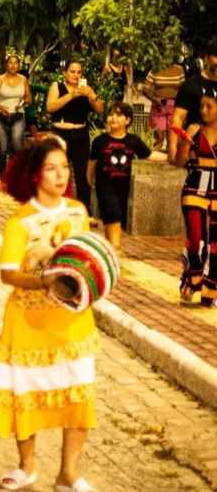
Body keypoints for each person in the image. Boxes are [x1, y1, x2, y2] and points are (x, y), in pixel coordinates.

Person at [0, 136, 101, 492]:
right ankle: (27, 465)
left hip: (72, 320)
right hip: (28, 321)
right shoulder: (19, 222)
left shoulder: (78, 212)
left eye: (65, 167)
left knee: (78, 392)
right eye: (51, 168)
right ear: (35, 175)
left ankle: (68, 474)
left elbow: (88, 258)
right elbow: (8, 273)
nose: (61, 175)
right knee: (27, 393)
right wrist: (44, 280)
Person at [88, 102, 167, 251]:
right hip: (104, 185)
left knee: (114, 217)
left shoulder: (133, 141)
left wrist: (171, 158)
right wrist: (89, 178)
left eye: (118, 115)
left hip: (123, 186)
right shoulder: (100, 141)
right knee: (113, 213)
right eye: (111, 114)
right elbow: (92, 162)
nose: (113, 118)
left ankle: (108, 248)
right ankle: (116, 249)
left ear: (128, 120)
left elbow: (149, 155)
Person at [171, 92, 217, 306]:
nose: (204, 111)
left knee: (214, 242)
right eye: (202, 106)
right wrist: (182, 144)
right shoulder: (193, 130)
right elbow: (179, 162)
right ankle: (193, 276)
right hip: (194, 186)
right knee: (196, 237)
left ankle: (210, 287)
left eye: (209, 106)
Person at [47, 60, 103, 213]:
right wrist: (70, 95)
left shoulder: (86, 90)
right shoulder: (57, 86)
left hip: (81, 134)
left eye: (79, 72)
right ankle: (56, 207)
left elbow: (100, 109)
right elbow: (50, 107)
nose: (76, 75)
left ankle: (85, 210)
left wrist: (92, 95)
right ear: (65, 73)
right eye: (72, 71)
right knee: (59, 172)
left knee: (82, 174)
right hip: (60, 134)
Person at [170, 46, 217, 161]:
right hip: (197, 149)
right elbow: (178, 118)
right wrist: (173, 149)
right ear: (206, 58)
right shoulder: (191, 85)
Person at [0, 55, 32, 176]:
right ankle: (3, 178)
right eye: (10, 63)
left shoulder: (23, 80)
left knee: (17, 147)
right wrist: (0, 107)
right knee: (3, 149)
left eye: (16, 63)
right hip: (1, 117)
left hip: (18, 116)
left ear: (18, 65)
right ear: (6, 64)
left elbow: (29, 97)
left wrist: (23, 103)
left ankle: (16, 175)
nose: (13, 65)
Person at [143, 61, 185, 152]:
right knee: (159, 138)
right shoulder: (155, 69)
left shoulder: (179, 70)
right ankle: (154, 160)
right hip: (159, 105)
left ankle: (170, 161)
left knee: (172, 139)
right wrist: (155, 99)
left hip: (174, 106)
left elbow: (184, 89)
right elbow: (145, 89)